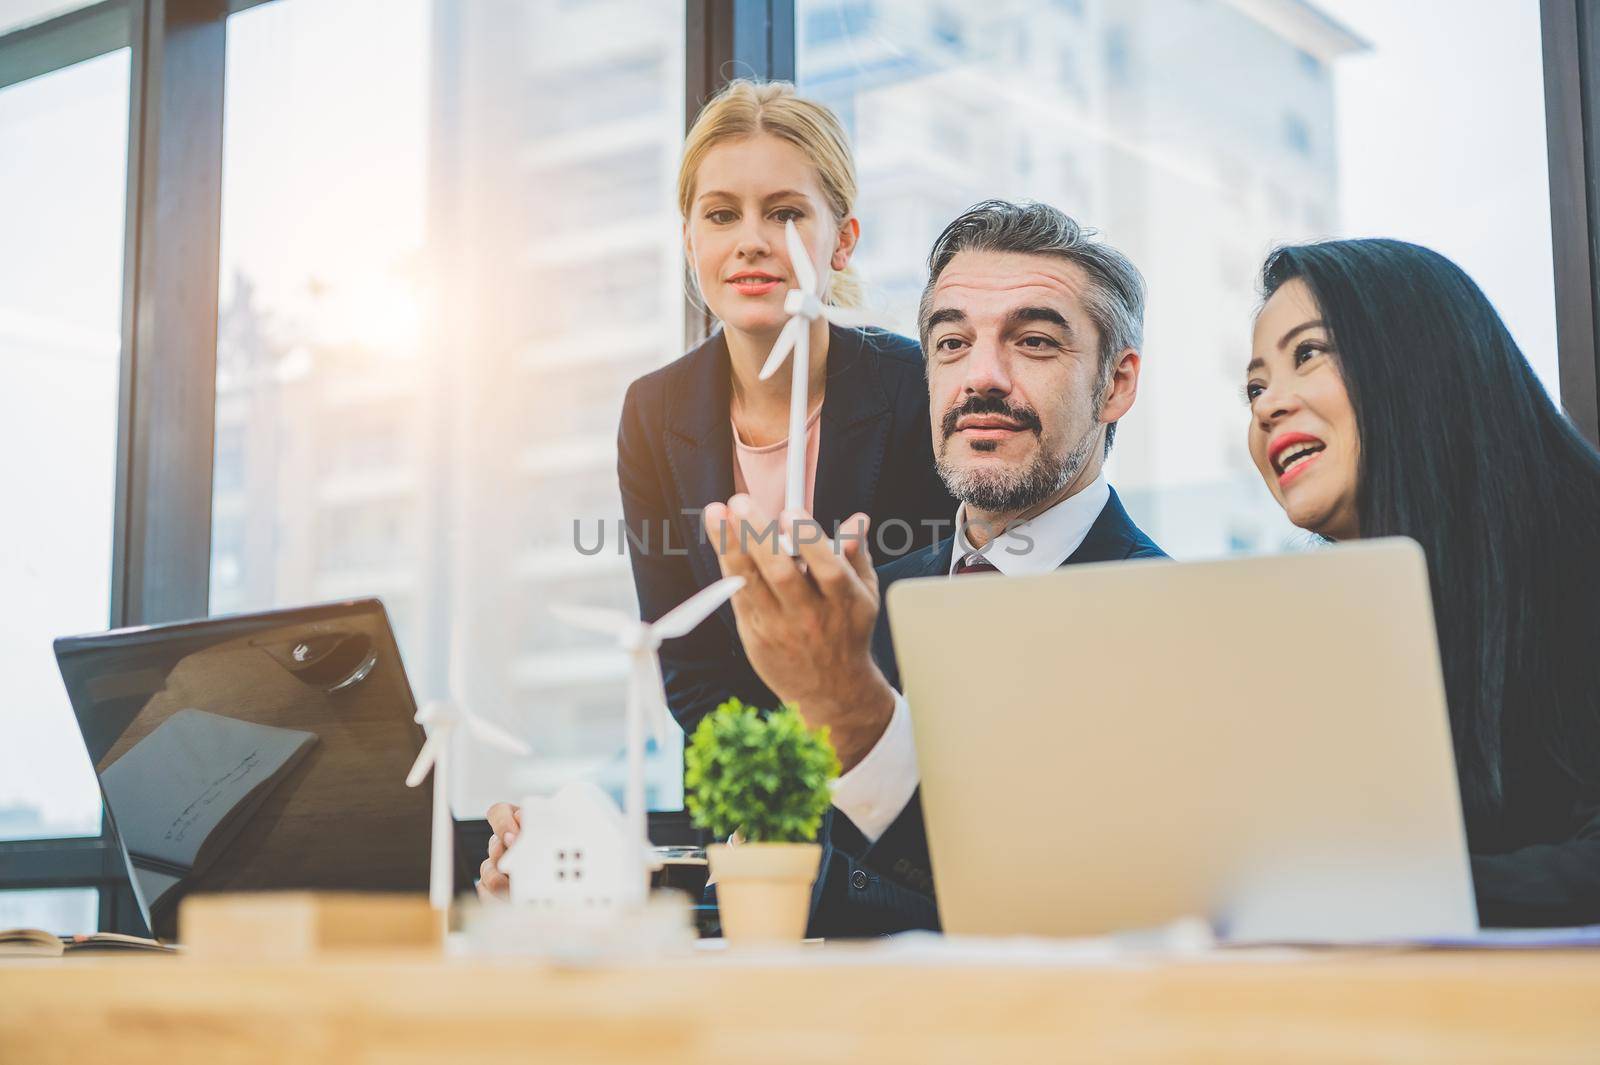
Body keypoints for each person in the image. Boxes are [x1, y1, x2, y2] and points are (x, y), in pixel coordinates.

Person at [476, 81, 954, 901]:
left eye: (787, 213)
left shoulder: (916, 388)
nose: (752, 242)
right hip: (749, 829)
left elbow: (927, 640)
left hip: (905, 828)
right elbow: (686, 663)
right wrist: (760, 801)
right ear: (688, 239)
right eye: (722, 214)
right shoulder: (653, 412)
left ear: (843, 241)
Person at [703, 200, 1165, 935]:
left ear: (1116, 384)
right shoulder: (859, 605)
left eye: (1035, 342)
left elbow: (1074, 913)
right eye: (951, 343)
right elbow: (805, 885)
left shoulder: (1173, 623)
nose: (981, 377)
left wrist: (856, 717)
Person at [1243, 238, 1600, 928]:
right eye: (1255, 386)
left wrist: (1385, 895)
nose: (1266, 407)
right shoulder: (1329, 631)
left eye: (1308, 353)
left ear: (1417, 356)